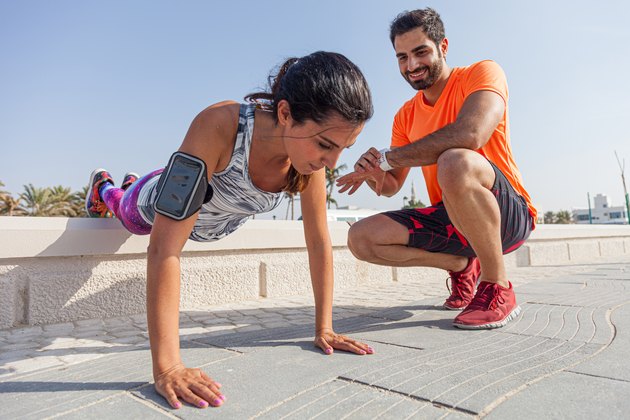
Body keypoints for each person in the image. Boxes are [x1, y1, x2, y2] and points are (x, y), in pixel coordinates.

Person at [85, 51, 375, 409]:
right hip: (151, 202)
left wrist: (324, 328)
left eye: (344, 149)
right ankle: (105, 187)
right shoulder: (220, 126)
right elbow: (165, 250)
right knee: (125, 212)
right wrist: (168, 366)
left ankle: (125, 182)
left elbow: (318, 242)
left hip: (204, 225)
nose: (331, 164)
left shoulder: (307, 163)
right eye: (325, 146)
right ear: (285, 113)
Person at [337, 8, 537, 330]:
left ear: (443, 47)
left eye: (420, 52)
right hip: (452, 219)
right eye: (402, 57)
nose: (411, 65)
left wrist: (391, 158)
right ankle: (460, 265)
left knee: (455, 160)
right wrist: (376, 173)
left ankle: (498, 287)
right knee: (360, 238)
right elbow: (392, 186)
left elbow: (471, 135)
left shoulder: (481, 74)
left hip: (507, 215)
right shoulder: (405, 115)